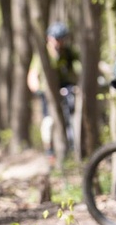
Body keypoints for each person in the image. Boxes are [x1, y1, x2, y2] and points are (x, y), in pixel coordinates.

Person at [27, 22, 79, 161]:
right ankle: (49, 151)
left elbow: (80, 66)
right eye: (56, 38)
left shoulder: (68, 52)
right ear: (49, 38)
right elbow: (32, 76)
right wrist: (38, 90)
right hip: (48, 92)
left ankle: (74, 147)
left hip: (66, 89)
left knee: (72, 116)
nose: (59, 42)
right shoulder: (43, 54)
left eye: (62, 39)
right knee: (48, 122)